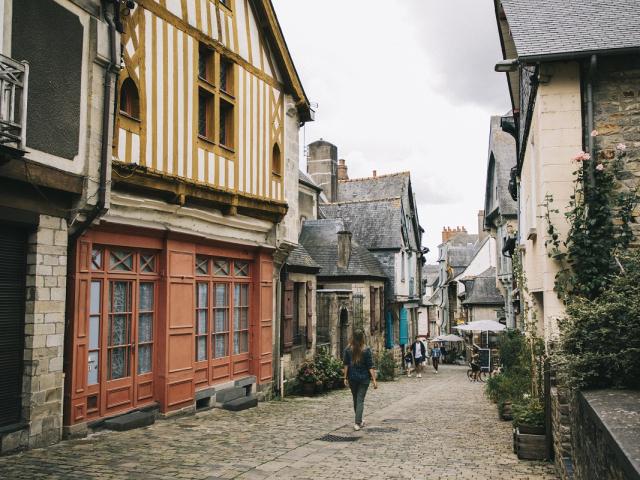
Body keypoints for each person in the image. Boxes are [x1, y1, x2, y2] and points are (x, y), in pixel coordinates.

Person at [343, 329, 378, 431]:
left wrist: (345, 377)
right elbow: (370, 366)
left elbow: (346, 365)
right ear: (362, 338)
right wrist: (374, 380)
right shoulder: (366, 350)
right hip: (363, 378)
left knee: (356, 399)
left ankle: (359, 421)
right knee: (360, 400)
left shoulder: (348, 349)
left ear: (353, 337)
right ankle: (358, 422)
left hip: (352, 378)